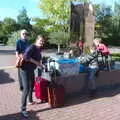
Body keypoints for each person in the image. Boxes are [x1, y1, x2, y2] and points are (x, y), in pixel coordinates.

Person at [20, 35, 45, 117]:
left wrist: (41, 64)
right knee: (26, 88)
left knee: (32, 84)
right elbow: (26, 56)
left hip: (31, 69)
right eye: (40, 41)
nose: (41, 42)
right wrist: (37, 63)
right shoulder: (32, 47)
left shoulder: (39, 48)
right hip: (24, 69)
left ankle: (30, 101)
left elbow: (39, 57)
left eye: (43, 41)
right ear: (36, 40)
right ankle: (23, 109)